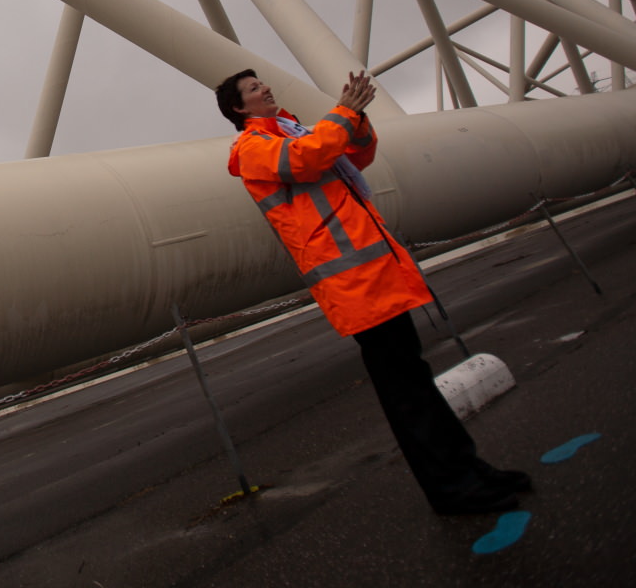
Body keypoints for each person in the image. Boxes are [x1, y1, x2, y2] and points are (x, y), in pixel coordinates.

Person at [216, 68, 530, 515]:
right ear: (238, 108)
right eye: (252, 89)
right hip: (354, 286)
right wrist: (344, 112)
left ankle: (468, 469)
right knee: (406, 392)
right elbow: (305, 159)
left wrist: (356, 119)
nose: (263, 88)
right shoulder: (253, 148)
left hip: (377, 275)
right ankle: (450, 489)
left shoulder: (295, 131)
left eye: (261, 83)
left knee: (417, 380)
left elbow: (358, 156)